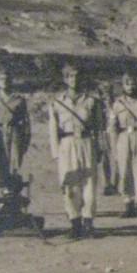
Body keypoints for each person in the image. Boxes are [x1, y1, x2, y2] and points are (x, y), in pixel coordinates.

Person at [48, 61, 105, 239]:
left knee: (89, 184)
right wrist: (56, 153)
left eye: (77, 75)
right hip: (67, 143)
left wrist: (100, 148)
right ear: (65, 79)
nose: (75, 79)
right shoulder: (57, 102)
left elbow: (99, 127)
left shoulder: (91, 101)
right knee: (69, 185)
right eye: (70, 76)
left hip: (86, 142)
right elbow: (53, 129)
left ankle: (88, 222)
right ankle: (75, 222)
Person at [0, 65, 30, 193]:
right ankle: (0, 195)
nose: (4, 82)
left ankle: (13, 194)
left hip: (14, 133)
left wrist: (25, 141)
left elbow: (26, 123)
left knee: (14, 164)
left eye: (7, 79)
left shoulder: (19, 100)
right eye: (1, 79)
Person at [109, 70, 137, 218]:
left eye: (133, 83)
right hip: (123, 137)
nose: (130, 86)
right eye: (127, 83)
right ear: (123, 85)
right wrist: (114, 147)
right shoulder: (118, 104)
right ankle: (128, 203)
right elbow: (112, 127)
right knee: (124, 172)